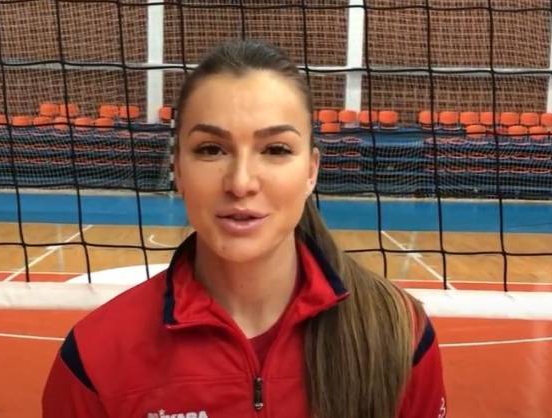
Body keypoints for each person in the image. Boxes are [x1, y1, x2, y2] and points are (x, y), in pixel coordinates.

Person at [43, 39, 446, 418]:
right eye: (211, 149)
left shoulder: (399, 335)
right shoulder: (95, 357)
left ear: (311, 171)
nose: (240, 182)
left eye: (276, 150)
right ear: (177, 169)